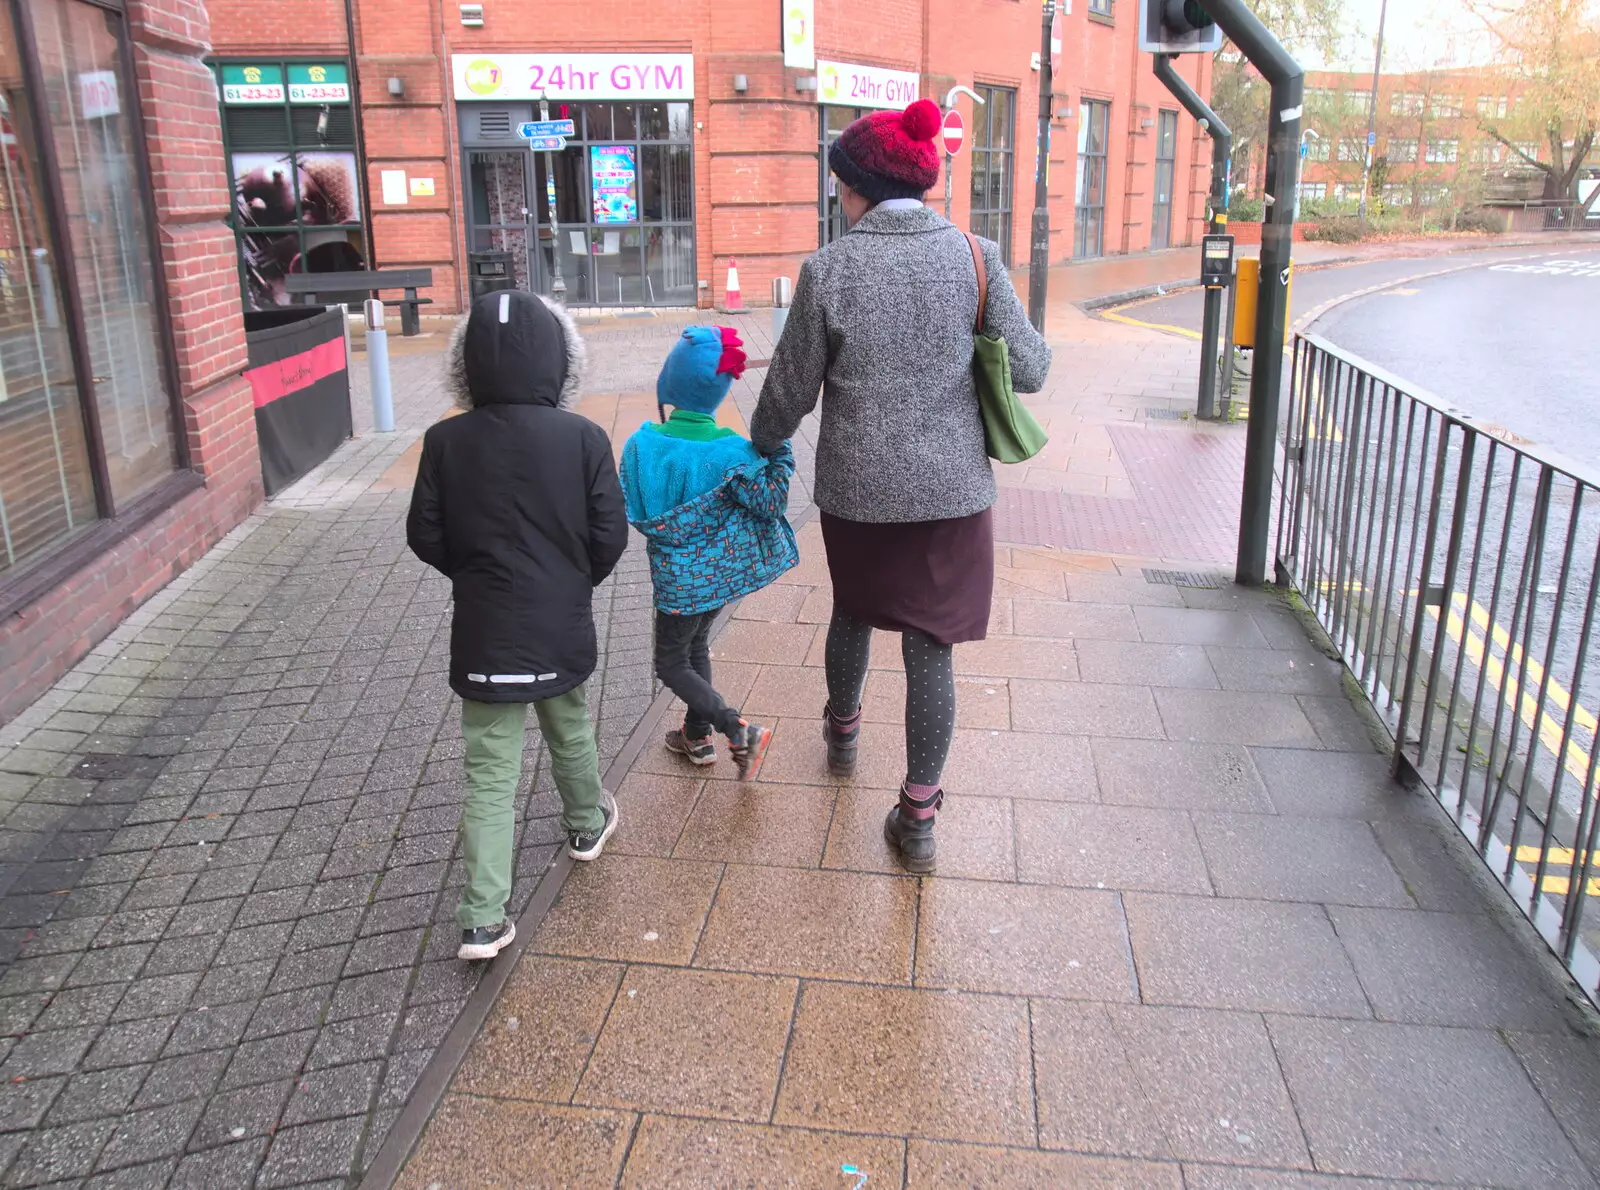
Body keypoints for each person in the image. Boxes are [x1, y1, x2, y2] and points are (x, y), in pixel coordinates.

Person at [751, 98, 1052, 873]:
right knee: (931, 645)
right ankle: (918, 813)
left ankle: (843, 732)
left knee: (853, 609)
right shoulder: (977, 257)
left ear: (854, 188)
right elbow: (1032, 369)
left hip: (856, 492)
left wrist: (761, 443)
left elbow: (789, 391)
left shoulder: (829, 269)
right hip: (952, 492)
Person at [407, 289, 629, 962]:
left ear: (465, 366)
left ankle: (481, 918)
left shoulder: (445, 441)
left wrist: (474, 575)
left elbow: (425, 534)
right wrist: (570, 580)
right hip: (559, 625)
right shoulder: (585, 437)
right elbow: (609, 535)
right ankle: (586, 826)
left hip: (483, 632)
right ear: (561, 364)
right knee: (571, 729)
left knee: (489, 772)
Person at [621, 326, 798, 781]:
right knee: (695, 644)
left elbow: (629, 502)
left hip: (678, 583)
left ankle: (736, 729)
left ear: (669, 385)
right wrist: (779, 452)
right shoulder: (733, 453)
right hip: (719, 580)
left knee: (670, 662)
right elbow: (770, 502)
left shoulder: (641, 447)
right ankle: (697, 736)